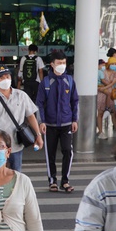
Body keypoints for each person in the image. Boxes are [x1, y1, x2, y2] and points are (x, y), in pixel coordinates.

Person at [0, 66, 44, 172]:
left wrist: (38, 135)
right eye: (1, 77)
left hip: (16, 145)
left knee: (15, 174)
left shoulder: (21, 95)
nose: (5, 80)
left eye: (7, 76)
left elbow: (31, 116)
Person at [36, 51, 79, 193]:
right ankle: (52, 180)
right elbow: (40, 103)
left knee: (68, 151)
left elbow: (75, 101)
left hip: (66, 122)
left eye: (64, 62)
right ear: (52, 64)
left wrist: (74, 119)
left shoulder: (70, 80)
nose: (62, 65)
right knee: (51, 153)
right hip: (50, 124)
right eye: (59, 63)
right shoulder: (46, 82)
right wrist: (41, 121)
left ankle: (65, 181)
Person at [96, 59, 116, 139]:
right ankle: (100, 132)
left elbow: (112, 84)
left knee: (113, 113)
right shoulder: (102, 71)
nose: (114, 65)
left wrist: (103, 88)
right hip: (101, 95)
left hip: (109, 95)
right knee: (100, 113)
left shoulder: (115, 73)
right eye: (112, 63)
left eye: (115, 64)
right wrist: (101, 89)